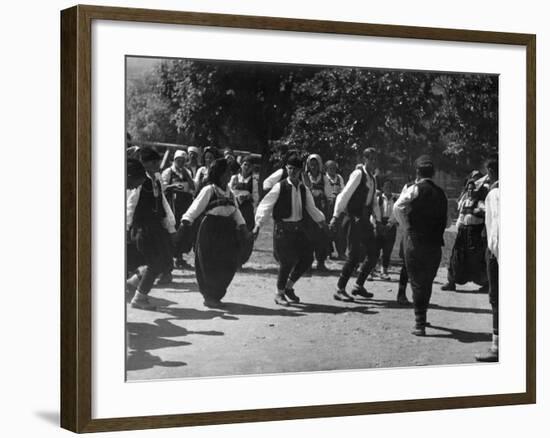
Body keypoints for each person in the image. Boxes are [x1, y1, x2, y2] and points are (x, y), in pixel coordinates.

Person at [253, 153, 326, 306]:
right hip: (283, 231)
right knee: (286, 261)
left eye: (295, 169)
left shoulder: (303, 189)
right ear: (286, 169)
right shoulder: (280, 186)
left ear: (300, 171)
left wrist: (322, 222)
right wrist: (258, 225)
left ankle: (289, 287)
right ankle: (279, 293)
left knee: (307, 258)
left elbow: (311, 208)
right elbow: (265, 205)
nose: (292, 172)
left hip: (297, 230)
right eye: (290, 168)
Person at [178, 158, 251, 308]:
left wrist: (243, 228)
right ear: (219, 174)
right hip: (210, 230)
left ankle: (217, 294)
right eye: (227, 172)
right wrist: (185, 224)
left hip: (228, 231)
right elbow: (194, 209)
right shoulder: (209, 190)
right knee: (209, 263)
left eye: (230, 172)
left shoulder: (229, 192)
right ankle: (209, 296)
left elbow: (236, 211)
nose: (230, 175)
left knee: (227, 263)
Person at [393, 155, 448, 336]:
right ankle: (422, 317)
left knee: (416, 281)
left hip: (416, 241)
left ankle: (419, 324)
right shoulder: (441, 194)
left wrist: (407, 226)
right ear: (433, 173)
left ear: (417, 172)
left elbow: (397, 207)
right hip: (434, 244)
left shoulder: (414, 189)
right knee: (427, 282)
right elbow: (447, 222)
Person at [126, 148, 177, 310]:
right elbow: (130, 206)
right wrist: (127, 228)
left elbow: (162, 201)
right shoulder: (139, 181)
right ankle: (139, 298)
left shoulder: (156, 178)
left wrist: (170, 224)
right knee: (155, 263)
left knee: (164, 261)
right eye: (153, 162)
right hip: (142, 227)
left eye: (157, 162)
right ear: (144, 163)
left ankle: (133, 282)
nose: (157, 165)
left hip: (155, 227)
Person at [329, 147, 379, 302]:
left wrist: (377, 220)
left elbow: (374, 202)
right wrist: (336, 216)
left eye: (375, 158)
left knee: (373, 252)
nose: (373, 161)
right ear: (365, 159)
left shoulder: (373, 178)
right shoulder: (358, 174)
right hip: (354, 218)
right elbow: (344, 195)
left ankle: (359, 285)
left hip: (365, 220)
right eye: (370, 158)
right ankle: (340, 288)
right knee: (354, 255)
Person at [441, 179, 488, 291]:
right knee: (456, 256)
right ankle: (451, 281)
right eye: (469, 189)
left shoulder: (480, 203)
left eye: (473, 189)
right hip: (463, 233)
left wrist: (479, 211)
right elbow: (460, 218)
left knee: (476, 258)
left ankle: (486, 283)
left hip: (475, 234)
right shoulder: (464, 202)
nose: (470, 191)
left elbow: (488, 212)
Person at [475, 156, 499, 362]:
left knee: (496, 298)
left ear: (490, 171)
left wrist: (495, 256)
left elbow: (496, 233)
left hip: (497, 253)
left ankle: (497, 346)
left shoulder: (494, 193)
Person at [161, 150, 196, 268]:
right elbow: (163, 187)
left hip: (185, 203)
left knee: (184, 229)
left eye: (183, 160)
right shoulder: (168, 172)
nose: (180, 163)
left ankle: (180, 257)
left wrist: (187, 175)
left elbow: (193, 187)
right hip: (173, 203)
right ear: (174, 160)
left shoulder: (187, 172)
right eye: (178, 160)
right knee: (173, 228)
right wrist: (173, 186)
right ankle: (170, 257)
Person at [303, 154, 329, 271]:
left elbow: (329, 194)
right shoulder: (305, 176)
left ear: (319, 165)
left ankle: (321, 262)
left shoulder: (324, 178)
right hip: (308, 211)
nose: (313, 167)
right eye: (311, 164)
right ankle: (307, 263)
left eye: (315, 164)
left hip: (321, 210)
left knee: (321, 236)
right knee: (308, 237)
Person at [372, 179, 399, 280]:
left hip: (390, 226)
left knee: (388, 249)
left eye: (390, 186)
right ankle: (372, 269)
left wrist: (390, 224)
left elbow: (397, 213)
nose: (388, 188)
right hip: (379, 224)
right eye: (386, 186)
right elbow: (374, 212)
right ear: (382, 188)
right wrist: (377, 225)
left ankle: (384, 270)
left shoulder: (396, 200)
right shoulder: (378, 199)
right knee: (375, 248)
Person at [229, 155, 260, 231]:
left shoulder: (254, 181)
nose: (246, 167)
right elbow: (229, 191)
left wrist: (248, 197)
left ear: (252, 168)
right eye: (245, 164)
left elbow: (256, 198)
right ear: (241, 165)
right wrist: (236, 197)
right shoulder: (234, 178)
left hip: (247, 212)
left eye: (249, 166)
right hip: (234, 209)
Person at [324, 160, 346, 260]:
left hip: (338, 206)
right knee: (328, 228)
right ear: (326, 168)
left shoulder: (339, 178)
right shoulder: (324, 178)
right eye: (330, 168)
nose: (333, 169)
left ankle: (341, 252)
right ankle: (328, 252)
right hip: (327, 206)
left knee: (340, 230)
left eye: (334, 167)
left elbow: (343, 190)